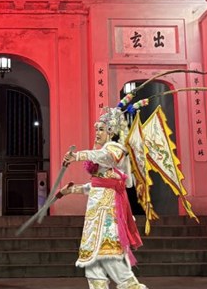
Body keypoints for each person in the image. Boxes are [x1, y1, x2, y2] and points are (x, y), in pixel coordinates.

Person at [59, 107, 147, 289]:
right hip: (95, 213)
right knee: (91, 263)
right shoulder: (102, 157)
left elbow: (107, 158)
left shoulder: (115, 149)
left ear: (110, 131)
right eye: (96, 129)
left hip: (109, 212)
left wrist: (77, 156)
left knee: (111, 258)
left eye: (101, 129)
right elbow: (96, 186)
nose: (97, 133)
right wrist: (72, 190)